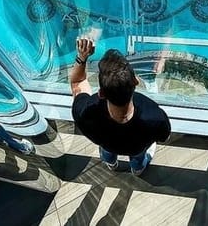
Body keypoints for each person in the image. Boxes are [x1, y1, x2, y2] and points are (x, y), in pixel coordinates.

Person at [71, 38, 171, 175]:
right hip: (136, 147)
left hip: (107, 143)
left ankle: (111, 163)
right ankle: (137, 169)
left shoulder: (86, 113)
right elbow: (164, 136)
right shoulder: (153, 116)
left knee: (107, 151)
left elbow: (78, 82)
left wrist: (82, 57)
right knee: (138, 157)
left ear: (101, 93)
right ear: (135, 81)